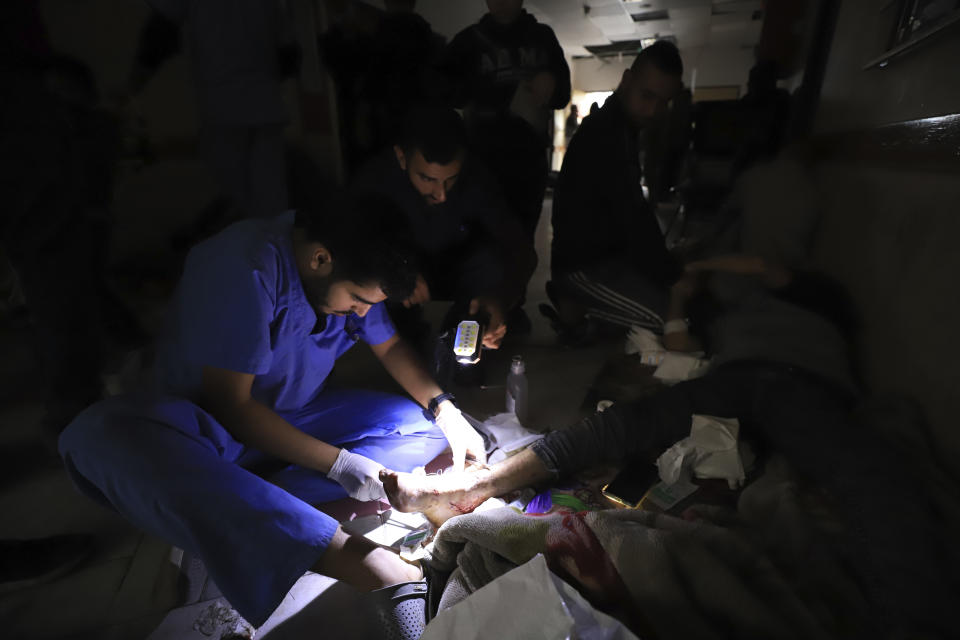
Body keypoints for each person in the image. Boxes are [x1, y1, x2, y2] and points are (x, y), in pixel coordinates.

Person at [380, 256, 954, 636]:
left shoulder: (804, 298)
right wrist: (684, 290)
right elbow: (677, 339)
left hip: (798, 384)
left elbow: (769, 266)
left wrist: (707, 262)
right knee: (629, 423)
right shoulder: (727, 314)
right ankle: (479, 482)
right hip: (735, 383)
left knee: (864, 472)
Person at [58, 194, 486, 631]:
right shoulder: (243, 267)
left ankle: (240, 506)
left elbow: (390, 344)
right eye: (357, 300)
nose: (362, 313)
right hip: (207, 430)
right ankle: (376, 568)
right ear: (321, 258)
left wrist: (444, 409)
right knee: (94, 435)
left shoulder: (349, 267)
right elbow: (233, 408)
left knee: (423, 430)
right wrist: (341, 464)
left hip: (294, 413)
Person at [352, 105, 534, 354]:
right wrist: (395, 271)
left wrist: (501, 298)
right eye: (427, 179)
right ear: (402, 157)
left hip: (453, 268)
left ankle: (467, 333)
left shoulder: (478, 179)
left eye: (451, 180)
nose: (441, 195)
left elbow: (519, 248)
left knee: (489, 262)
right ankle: (407, 330)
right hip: (400, 276)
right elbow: (351, 244)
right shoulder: (374, 182)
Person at [440, 0, 571, 331]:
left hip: (527, 156)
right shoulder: (469, 41)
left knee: (521, 236)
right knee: (480, 233)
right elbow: (445, 93)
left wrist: (551, 83)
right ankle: (474, 306)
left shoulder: (541, 37)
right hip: (482, 157)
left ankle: (511, 304)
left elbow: (563, 94)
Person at [548, 41, 684, 337]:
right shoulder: (605, 135)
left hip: (609, 258)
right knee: (668, 320)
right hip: (582, 266)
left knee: (673, 303)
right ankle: (575, 309)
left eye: (663, 102)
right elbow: (633, 217)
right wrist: (674, 277)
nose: (653, 110)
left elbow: (633, 215)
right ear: (626, 80)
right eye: (647, 96)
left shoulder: (622, 130)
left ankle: (580, 307)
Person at [121, 0, 299, 219]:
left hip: (222, 104)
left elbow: (159, 34)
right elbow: (289, 54)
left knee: (244, 202)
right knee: (270, 204)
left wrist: (132, 86)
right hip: (266, 106)